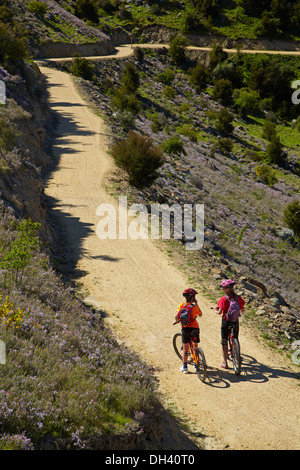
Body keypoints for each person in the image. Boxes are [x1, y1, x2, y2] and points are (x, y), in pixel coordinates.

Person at [214, 279, 245, 369]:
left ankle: (225, 362)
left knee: (224, 341)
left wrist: (215, 310)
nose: (223, 289)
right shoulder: (238, 298)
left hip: (226, 321)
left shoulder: (223, 299)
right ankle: (236, 353)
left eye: (223, 288)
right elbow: (242, 309)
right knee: (235, 337)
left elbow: (219, 312)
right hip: (235, 321)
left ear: (227, 289)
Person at [175, 288, 203, 374]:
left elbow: (176, 317)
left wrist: (177, 321)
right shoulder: (194, 307)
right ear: (193, 298)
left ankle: (185, 367)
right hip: (195, 328)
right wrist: (197, 304)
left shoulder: (181, 305)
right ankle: (196, 364)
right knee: (195, 346)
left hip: (185, 328)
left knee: (185, 348)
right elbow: (200, 314)